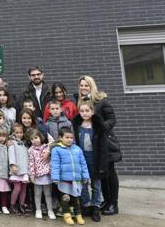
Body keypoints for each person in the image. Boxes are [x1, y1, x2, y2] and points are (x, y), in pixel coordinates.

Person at [76, 75, 120, 216]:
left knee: (110, 173)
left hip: (104, 143)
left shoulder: (101, 100)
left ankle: (113, 203)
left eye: (86, 85)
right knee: (101, 176)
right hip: (90, 145)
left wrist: (100, 127)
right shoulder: (80, 101)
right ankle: (105, 201)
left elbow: (112, 119)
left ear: (92, 86)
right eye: (81, 85)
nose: (83, 87)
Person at [72, 101, 109, 223]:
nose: (85, 113)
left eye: (87, 111)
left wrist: (103, 164)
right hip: (81, 160)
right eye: (82, 111)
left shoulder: (98, 126)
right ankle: (86, 205)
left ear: (92, 112)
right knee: (83, 185)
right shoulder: (76, 125)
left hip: (95, 160)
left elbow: (103, 147)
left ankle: (95, 207)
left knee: (96, 186)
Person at [51, 127, 90, 226]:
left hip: (76, 180)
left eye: (71, 137)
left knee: (76, 199)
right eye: (67, 137)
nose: (69, 139)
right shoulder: (56, 150)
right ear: (60, 137)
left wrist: (85, 176)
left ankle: (78, 215)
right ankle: (67, 215)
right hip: (64, 180)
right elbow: (55, 164)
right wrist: (55, 177)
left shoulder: (77, 149)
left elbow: (83, 163)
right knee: (65, 199)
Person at [28, 128, 56, 220]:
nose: (34, 140)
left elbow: (53, 141)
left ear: (40, 137)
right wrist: (31, 174)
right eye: (32, 139)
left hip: (47, 174)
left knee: (48, 194)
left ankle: (50, 210)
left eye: (36, 137)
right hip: (37, 175)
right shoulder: (31, 150)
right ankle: (38, 210)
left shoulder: (47, 147)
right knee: (37, 194)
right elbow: (31, 163)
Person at [8, 123, 29, 215]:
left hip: (24, 169)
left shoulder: (25, 143)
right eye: (17, 132)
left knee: (24, 188)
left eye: (21, 132)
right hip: (16, 169)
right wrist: (13, 165)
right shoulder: (12, 143)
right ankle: (12, 205)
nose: (19, 134)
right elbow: (11, 154)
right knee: (17, 188)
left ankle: (21, 205)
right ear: (13, 133)